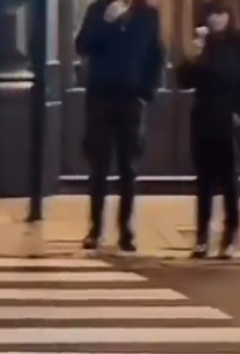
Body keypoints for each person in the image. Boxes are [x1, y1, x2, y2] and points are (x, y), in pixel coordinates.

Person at [75, 0, 164, 251]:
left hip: (130, 100)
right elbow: (82, 46)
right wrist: (106, 21)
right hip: (100, 97)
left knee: (128, 169)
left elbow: (155, 56)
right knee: (98, 167)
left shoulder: (147, 15)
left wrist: (146, 92)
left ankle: (125, 230)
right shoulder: (98, 9)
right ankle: (95, 229)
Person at [176, 0, 240, 259]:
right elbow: (184, 82)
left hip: (229, 118)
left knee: (229, 180)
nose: (215, 19)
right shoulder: (204, 45)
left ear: (229, 16)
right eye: (211, 15)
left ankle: (231, 235)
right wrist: (192, 55)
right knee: (203, 181)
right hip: (203, 117)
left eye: (220, 14)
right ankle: (202, 236)